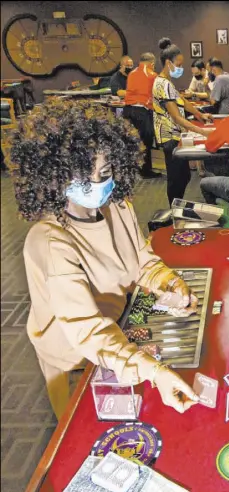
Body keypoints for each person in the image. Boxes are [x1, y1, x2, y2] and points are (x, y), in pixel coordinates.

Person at [6, 100, 201, 420]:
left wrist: (169, 283)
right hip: (75, 361)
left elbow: (142, 260)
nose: (99, 185)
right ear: (55, 176)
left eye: (105, 172)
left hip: (119, 331)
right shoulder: (50, 241)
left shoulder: (118, 204)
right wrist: (152, 371)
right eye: (85, 178)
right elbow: (88, 332)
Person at [152, 38, 213, 206]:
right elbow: (176, 117)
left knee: (184, 175)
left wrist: (200, 115)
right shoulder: (162, 84)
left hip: (175, 135)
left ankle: (178, 203)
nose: (180, 68)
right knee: (175, 177)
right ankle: (174, 208)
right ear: (167, 63)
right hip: (168, 137)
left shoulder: (168, 82)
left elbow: (182, 102)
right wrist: (202, 132)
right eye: (178, 65)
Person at [123, 52, 160, 179]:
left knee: (130, 141)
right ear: (152, 64)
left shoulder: (131, 73)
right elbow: (156, 95)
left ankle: (131, 170)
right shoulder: (152, 75)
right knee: (146, 141)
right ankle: (145, 171)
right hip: (141, 112)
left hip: (127, 111)